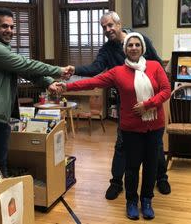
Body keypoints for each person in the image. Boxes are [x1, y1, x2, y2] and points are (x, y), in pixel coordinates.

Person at [59, 33, 171, 220]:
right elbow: (92, 81)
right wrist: (66, 87)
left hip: (154, 126)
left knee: (151, 166)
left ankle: (147, 200)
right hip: (131, 128)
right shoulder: (117, 71)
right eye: (130, 45)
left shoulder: (155, 66)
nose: (134, 48)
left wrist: (148, 104)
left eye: (137, 45)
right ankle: (131, 201)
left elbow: (166, 91)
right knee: (132, 167)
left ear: (142, 48)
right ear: (125, 49)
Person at [0, 8, 72, 177]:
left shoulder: (3, 49)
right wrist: (59, 70)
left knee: (0, 167)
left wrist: (48, 82)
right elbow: (26, 65)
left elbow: (24, 71)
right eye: (5, 26)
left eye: (12, 27)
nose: (9, 31)